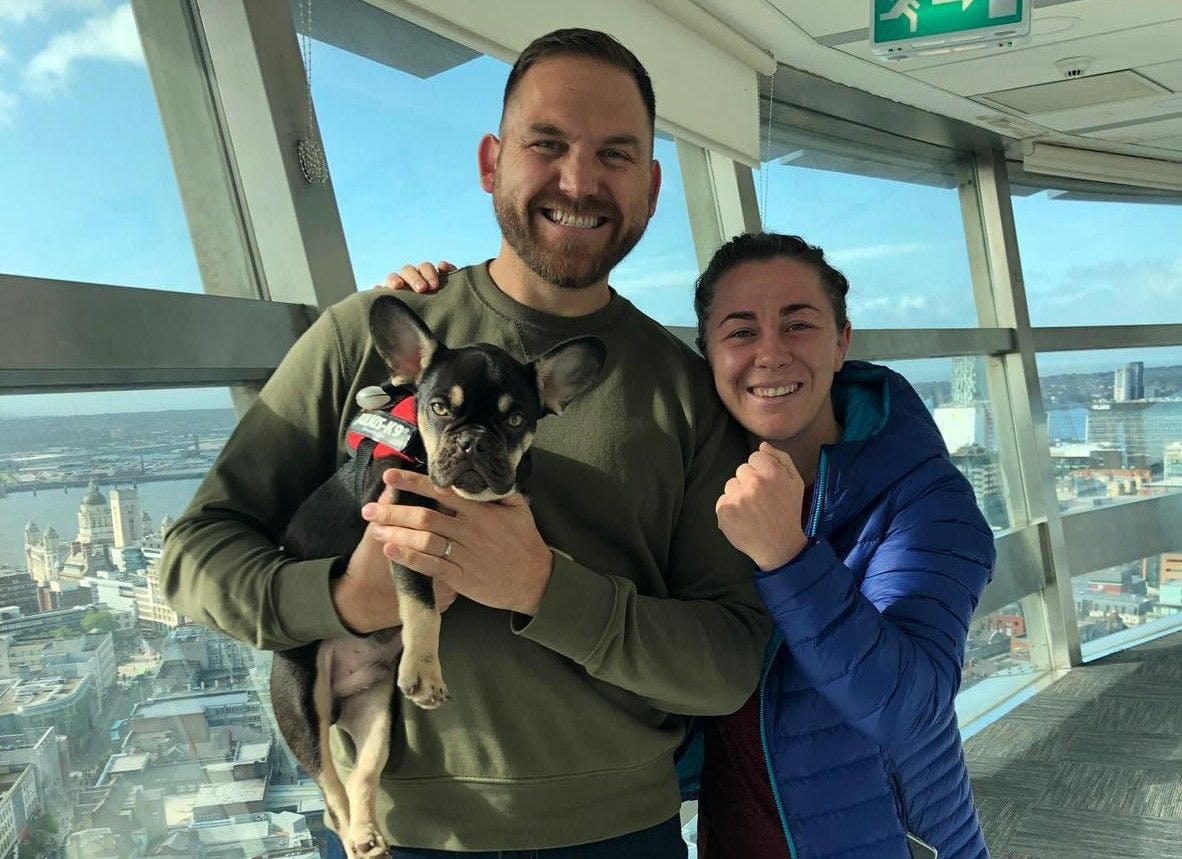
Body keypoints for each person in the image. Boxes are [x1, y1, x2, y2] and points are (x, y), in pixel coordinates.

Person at [160, 28, 768, 858]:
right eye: (546, 144)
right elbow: (190, 560)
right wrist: (346, 598)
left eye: (615, 154)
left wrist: (545, 589)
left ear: (653, 186)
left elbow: (730, 659)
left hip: (622, 830)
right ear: (492, 163)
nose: (579, 180)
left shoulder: (688, 392)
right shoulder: (366, 337)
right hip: (400, 835)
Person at [391, 232, 995, 858]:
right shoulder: (696, 483)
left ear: (841, 342)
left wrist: (789, 559)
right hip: (731, 838)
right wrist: (432, 309)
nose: (770, 354)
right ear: (707, 356)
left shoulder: (923, 498)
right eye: (740, 332)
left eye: (799, 325)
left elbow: (911, 710)